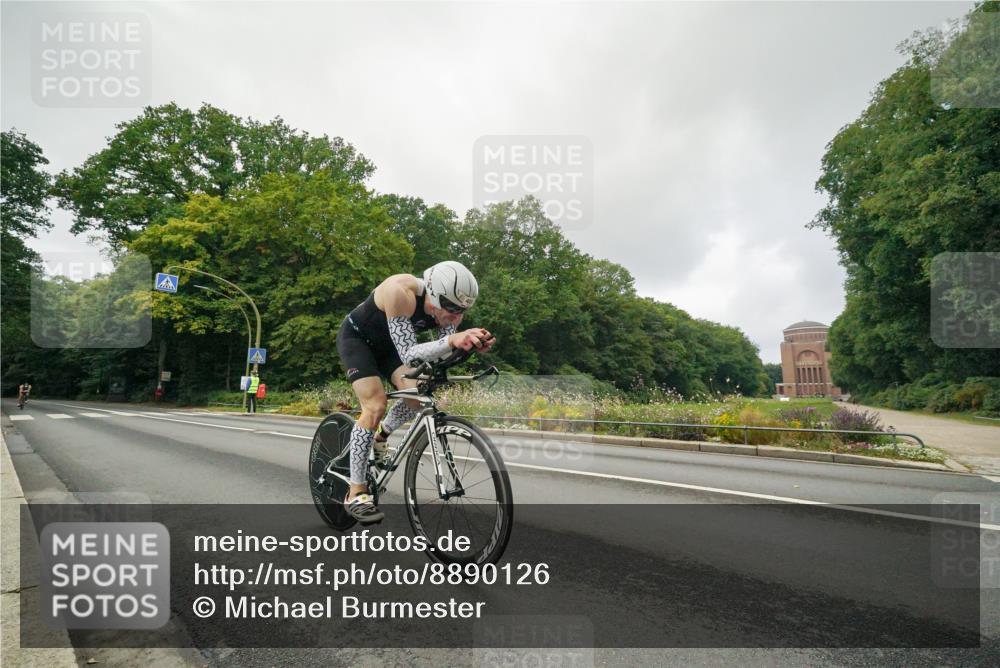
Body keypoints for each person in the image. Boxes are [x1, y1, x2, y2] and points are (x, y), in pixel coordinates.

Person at [336, 261, 495, 524]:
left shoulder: (451, 306)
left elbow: (442, 349)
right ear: (432, 292)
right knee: (375, 406)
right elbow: (410, 354)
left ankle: (381, 435)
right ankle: (356, 492)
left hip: (390, 349)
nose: (456, 317)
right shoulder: (400, 291)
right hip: (357, 340)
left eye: (463, 311)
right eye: (452, 308)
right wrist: (453, 339)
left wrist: (468, 345)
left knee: (416, 395)